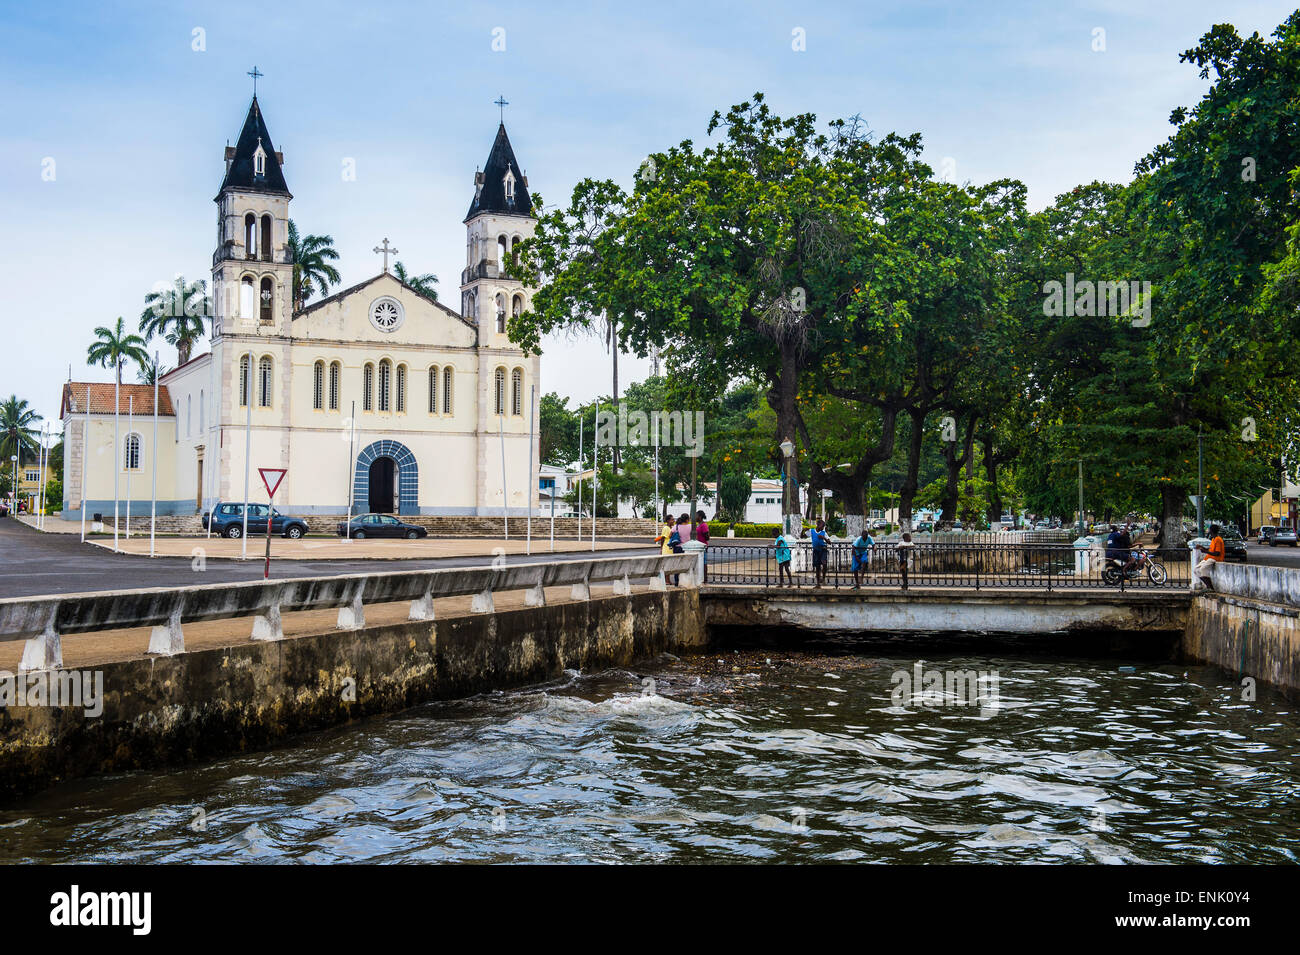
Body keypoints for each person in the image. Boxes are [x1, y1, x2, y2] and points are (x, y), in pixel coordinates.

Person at [1193, 523, 1225, 592]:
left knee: (1202, 569)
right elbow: (1210, 550)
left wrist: (1205, 551)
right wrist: (1202, 547)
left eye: (1209, 530)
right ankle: (1208, 586)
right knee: (1196, 570)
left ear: (1211, 531)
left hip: (1215, 559)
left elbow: (1217, 553)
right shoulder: (1213, 539)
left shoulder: (1218, 540)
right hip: (1209, 558)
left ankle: (1210, 587)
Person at [809, 518, 829, 586]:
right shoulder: (811, 531)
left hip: (823, 549)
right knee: (817, 566)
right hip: (816, 550)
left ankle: (823, 578)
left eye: (823, 526)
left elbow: (829, 542)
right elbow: (803, 536)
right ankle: (818, 583)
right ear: (817, 525)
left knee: (824, 563)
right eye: (822, 526)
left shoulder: (824, 533)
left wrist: (824, 538)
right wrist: (803, 530)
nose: (823, 528)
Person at [694, 510, 711, 583]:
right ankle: (700, 577)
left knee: (703, 563)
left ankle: (705, 579)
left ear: (700, 517)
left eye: (696, 516)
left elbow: (707, 536)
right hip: (698, 546)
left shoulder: (703, 525)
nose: (695, 517)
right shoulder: (698, 525)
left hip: (703, 546)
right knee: (699, 563)